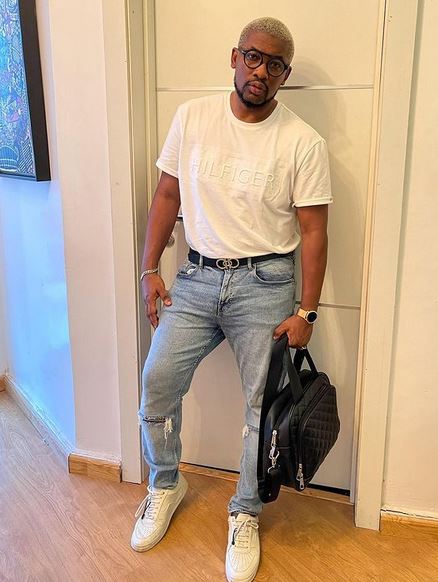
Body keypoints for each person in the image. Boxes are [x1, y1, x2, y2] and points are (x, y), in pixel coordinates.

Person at [130, 16, 332, 582]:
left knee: (260, 409)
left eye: (275, 64)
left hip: (265, 285)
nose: (260, 70)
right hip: (195, 278)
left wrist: (307, 310)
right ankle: (165, 484)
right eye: (253, 56)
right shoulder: (192, 117)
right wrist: (150, 268)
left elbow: (314, 230)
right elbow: (167, 194)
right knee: (157, 382)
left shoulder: (303, 142)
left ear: (285, 75)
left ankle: (245, 511)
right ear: (235, 57)